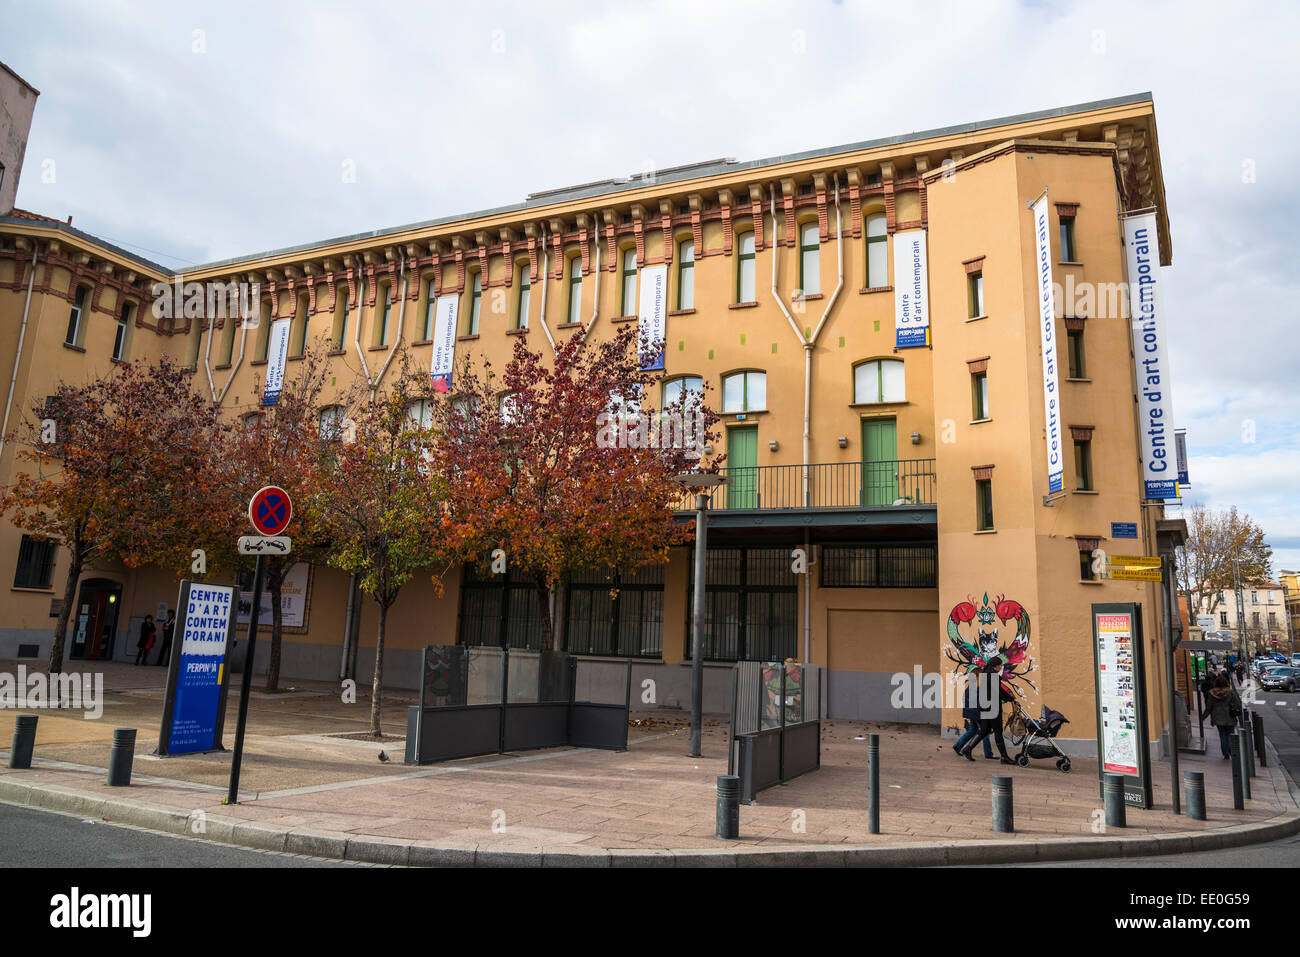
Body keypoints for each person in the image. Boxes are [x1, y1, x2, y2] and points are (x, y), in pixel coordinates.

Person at [959, 658, 1016, 765]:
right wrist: (1011, 698)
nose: (1001, 668)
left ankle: (968, 749)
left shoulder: (985, 674)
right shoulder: (992, 675)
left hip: (985, 707)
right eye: (1000, 665)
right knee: (998, 732)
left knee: (984, 730)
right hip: (993, 708)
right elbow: (998, 691)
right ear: (996, 666)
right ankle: (1004, 757)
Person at [953, 670, 994, 759]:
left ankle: (958, 746)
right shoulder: (977, 687)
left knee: (972, 730)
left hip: (972, 712)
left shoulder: (971, 686)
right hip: (976, 713)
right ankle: (988, 753)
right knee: (984, 731)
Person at [1201, 673, 1241, 760]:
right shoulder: (1230, 692)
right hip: (1230, 716)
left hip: (1218, 717)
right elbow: (1238, 703)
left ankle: (1225, 753)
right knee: (1230, 734)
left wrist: (1203, 717)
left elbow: (1208, 708)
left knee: (1222, 735)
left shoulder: (1212, 694)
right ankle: (1231, 751)